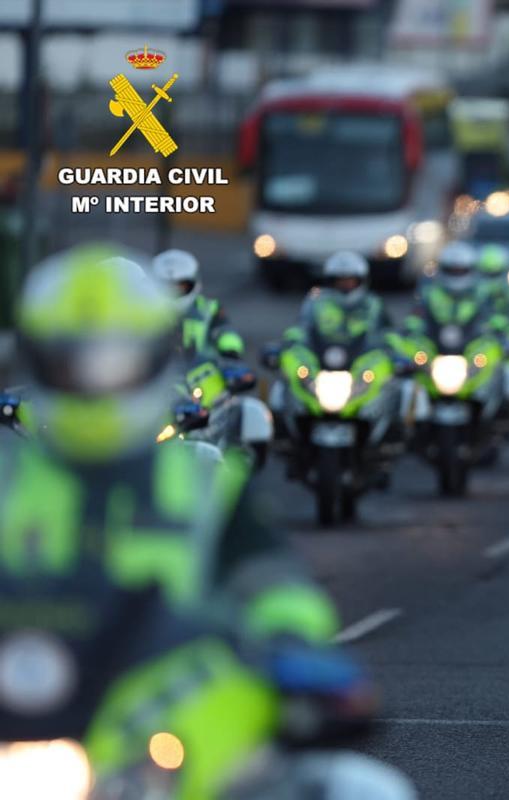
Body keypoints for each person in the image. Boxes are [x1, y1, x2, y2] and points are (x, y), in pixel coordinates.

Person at [0, 245, 357, 795]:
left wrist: (293, 642)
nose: (97, 378)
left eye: (115, 358)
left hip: (176, 713)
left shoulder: (204, 481)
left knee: (360, 787)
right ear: (38, 358)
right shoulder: (7, 476)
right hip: (30, 701)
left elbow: (273, 580)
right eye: (76, 359)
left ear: (154, 353)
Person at [284, 250, 402, 354]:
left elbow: (387, 333)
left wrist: (390, 346)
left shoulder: (373, 303)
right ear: (331, 281)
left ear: (360, 280)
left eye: (350, 280)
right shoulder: (316, 301)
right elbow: (302, 327)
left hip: (363, 360)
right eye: (340, 280)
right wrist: (291, 342)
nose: (345, 285)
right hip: (322, 356)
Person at [151, 248, 244, 359]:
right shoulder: (143, 308)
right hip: (156, 371)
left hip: (201, 372)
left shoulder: (209, 309)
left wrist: (231, 349)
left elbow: (224, 330)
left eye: (181, 287)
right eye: (167, 286)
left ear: (194, 282)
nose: (174, 292)